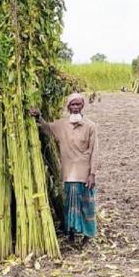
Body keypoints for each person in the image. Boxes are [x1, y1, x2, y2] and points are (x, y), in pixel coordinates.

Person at [29, 92, 99, 246]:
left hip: (84, 173)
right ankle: (72, 235)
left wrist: (92, 174)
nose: (75, 108)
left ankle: (87, 236)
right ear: (68, 107)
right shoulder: (61, 125)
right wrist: (38, 116)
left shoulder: (90, 126)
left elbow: (94, 151)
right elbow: (47, 128)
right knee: (71, 206)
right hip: (69, 174)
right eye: (72, 105)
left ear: (82, 106)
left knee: (86, 205)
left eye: (78, 104)